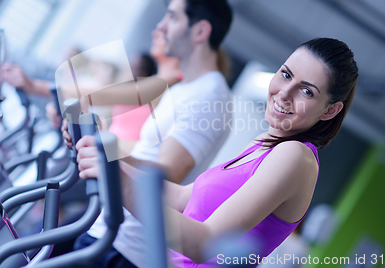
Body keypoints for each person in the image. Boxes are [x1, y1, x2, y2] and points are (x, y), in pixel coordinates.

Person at [76, 37, 359, 267]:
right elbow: (180, 197)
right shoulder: (266, 143)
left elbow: (205, 244)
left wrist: (115, 178)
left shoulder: (296, 157)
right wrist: (107, 156)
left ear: (331, 110)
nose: (285, 93)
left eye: (307, 91)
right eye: (285, 75)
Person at [69, 0, 234, 268]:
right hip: (110, 230)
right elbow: (146, 154)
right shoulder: (185, 88)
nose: (162, 25)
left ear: (200, 31)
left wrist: (105, 148)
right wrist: (98, 141)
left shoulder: (211, 95)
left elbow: (167, 173)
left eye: (172, 16)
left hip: (126, 249)